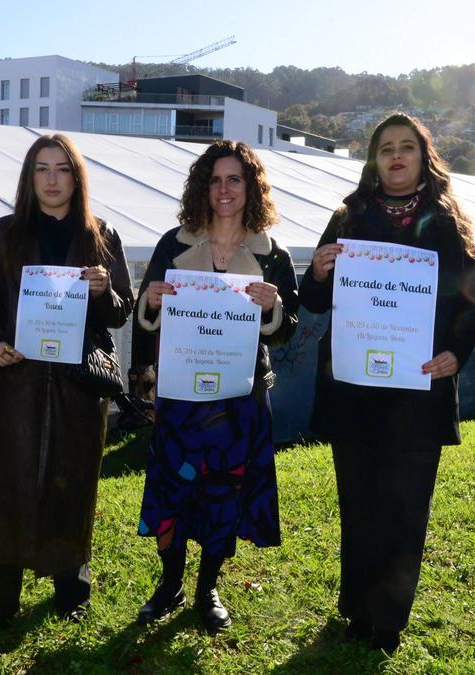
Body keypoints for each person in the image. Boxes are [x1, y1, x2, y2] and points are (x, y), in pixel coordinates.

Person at [298, 113, 475, 653]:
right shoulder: (348, 217)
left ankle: (387, 618)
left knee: (404, 508)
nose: (396, 156)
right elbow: (314, 302)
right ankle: (356, 607)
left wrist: (455, 353)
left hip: (419, 389)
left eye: (407, 147)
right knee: (358, 504)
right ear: (374, 160)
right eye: (386, 149)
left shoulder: (447, 221)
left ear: (424, 158)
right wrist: (319, 272)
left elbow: (472, 302)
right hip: (355, 389)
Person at [133, 140, 299, 633]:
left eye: (234, 179)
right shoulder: (173, 244)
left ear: (251, 188)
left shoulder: (274, 255)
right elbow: (144, 316)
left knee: (225, 495)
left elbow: (286, 329)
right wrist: (153, 300)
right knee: (173, 492)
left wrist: (272, 307)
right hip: (181, 395)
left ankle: (207, 588)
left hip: (240, 400)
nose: (224, 189)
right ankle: (170, 584)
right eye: (215, 180)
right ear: (202, 188)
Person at [0, 134, 134, 624]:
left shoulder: (101, 235)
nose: (52, 179)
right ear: (29, 177)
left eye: (62, 169)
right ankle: (0, 601)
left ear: (76, 178)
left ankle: (71, 593)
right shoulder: (2, 234)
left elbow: (121, 312)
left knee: (72, 485)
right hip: (14, 383)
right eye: (41, 169)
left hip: (77, 387)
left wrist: (104, 293)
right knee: (6, 487)